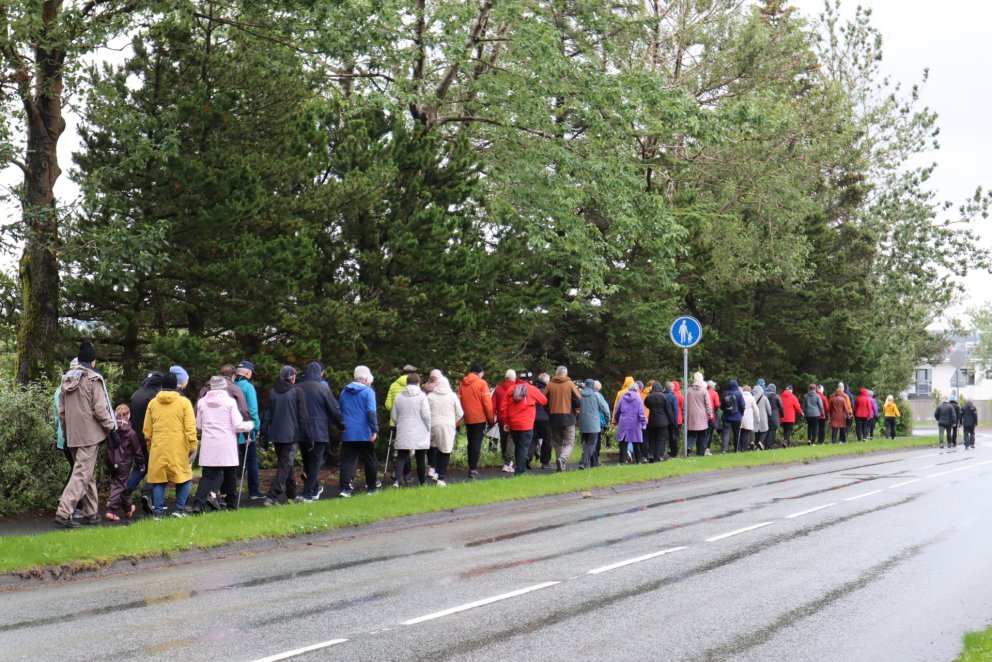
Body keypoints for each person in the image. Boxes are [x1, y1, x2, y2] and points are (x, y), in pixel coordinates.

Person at [55, 341, 118, 529]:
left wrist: (66, 434)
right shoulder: (93, 379)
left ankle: (91, 512)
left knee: (86, 473)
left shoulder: (66, 379)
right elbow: (100, 409)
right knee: (82, 474)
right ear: (93, 361)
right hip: (90, 435)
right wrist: (112, 429)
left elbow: (62, 412)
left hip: (73, 435)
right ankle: (64, 512)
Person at [193, 376, 251, 513]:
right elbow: (237, 425)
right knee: (230, 474)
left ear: (211, 387)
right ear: (224, 387)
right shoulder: (230, 402)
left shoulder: (202, 402)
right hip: (226, 443)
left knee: (207, 475)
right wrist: (250, 425)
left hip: (209, 443)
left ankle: (198, 504)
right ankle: (231, 503)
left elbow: (199, 425)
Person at [144, 371, 197, 518]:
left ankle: (158, 513)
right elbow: (190, 426)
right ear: (175, 386)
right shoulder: (184, 403)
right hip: (179, 446)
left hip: (158, 446)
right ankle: (179, 510)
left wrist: (150, 446)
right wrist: (193, 445)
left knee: (158, 480)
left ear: (162, 385)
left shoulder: (153, 403)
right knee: (184, 477)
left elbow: (147, 430)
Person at [260, 366, 310, 505]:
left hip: (276, 434)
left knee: (287, 464)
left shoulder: (272, 392)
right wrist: (308, 436)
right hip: (291, 435)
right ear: (292, 376)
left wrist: (263, 435)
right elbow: (303, 417)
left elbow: (266, 416)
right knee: (285, 464)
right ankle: (272, 495)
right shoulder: (297, 391)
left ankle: (292, 494)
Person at [296, 361, 344, 501]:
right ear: (320, 373)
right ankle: (308, 493)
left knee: (307, 461)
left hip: (301, 430)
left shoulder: (297, 387)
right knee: (315, 462)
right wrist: (342, 424)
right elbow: (333, 409)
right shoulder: (322, 388)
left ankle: (314, 488)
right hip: (319, 430)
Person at [338, 365, 380, 496]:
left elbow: (339, 410)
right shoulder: (368, 392)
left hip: (348, 431)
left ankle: (344, 489)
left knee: (347, 460)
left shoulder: (344, 392)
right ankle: (372, 488)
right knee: (369, 459)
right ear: (367, 378)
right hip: (364, 431)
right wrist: (374, 429)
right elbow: (371, 411)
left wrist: (342, 427)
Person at [498, 370, 548, 476]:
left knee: (518, 446)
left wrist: (505, 422)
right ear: (530, 380)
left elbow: (503, 407)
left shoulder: (511, 389)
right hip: (526, 424)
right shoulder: (532, 389)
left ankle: (518, 469)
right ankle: (520, 471)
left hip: (513, 424)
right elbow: (544, 401)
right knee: (523, 447)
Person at [128, 370, 165, 513]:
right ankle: (146, 493)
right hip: (149, 438)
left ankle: (125, 492)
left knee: (140, 467)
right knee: (153, 468)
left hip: (136, 437)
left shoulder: (137, 394)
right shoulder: (153, 398)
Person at [391, 373, 432, 487]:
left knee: (402, 455)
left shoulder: (399, 396)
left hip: (403, 428)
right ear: (418, 383)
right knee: (420, 457)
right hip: (420, 430)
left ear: (407, 383)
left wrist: (399, 424)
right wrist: (428, 427)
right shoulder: (422, 396)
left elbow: (394, 415)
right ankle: (422, 482)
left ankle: (397, 481)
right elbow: (426, 415)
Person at [53, 358, 81, 517]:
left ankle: (73, 503)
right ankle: (69, 503)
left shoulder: (58, 390)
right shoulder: (69, 391)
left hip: (62, 437)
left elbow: (56, 417)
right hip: (72, 436)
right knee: (78, 471)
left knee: (76, 469)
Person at [105, 404, 143, 521]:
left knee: (121, 484)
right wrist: (141, 463)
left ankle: (128, 508)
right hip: (124, 463)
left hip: (111, 461)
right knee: (120, 485)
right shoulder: (131, 433)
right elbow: (137, 451)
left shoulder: (111, 431)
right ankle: (111, 510)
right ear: (128, 416)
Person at [457, 364, 495, 479]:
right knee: (476, 443)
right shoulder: (482, 384)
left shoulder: (462, 384)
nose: (483, 375)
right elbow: (487, 404)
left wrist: (459, 420)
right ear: (479, 372)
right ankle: (473, 469)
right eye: (482, 373)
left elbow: (458, 403)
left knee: (470, 442)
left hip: (468, 418)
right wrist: (491, 419)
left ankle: (471, 466)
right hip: (480, 418)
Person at [233, 360, 264, 500]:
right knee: (251, 460)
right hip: (246, 432)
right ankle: (254, 491)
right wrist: (257, 428)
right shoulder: (248, 387)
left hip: (230, 432)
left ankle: (229, 493)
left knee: (231, 463)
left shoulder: (229, 386)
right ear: (248, 373)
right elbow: (252, 411)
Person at [427, 375, 463, 486]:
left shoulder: (430, 396)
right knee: (446, 450)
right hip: (448, 425)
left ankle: (436, 472)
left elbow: (426, 412)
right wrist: (453, 420)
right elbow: (460, 413)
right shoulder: (452, 396)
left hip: (434, 425)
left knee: (437, 448)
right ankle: (441, 478)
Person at [546, 366, 581, 472]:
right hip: (568, 418)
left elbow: (544, 401)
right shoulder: (570, 384)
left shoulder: (550, 385)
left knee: (557, 443)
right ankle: (562, 459)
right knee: (569, 443)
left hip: (553, 418)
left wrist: (549, 411)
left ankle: (560, 466)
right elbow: (578, 401)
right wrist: (576, 412)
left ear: (556, 373)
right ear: (565, 373)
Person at [578, 378, 611, 468]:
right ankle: (583, 462)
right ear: (593, 386)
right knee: (591, 444)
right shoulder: (596, 395)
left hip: (582, 423)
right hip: (594, 423)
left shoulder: (579, 394)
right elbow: (605, 408)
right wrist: (608, 419)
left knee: (588, 443)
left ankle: (595, 463)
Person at [492, 369, 518, 472]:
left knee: (503, 439)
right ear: (514, 378)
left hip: (502, 418)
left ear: (505, 378)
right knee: (512, 440)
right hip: (513, 417)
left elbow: (493, 405)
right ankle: (510, 461)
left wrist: (492, 417)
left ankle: (505, 459)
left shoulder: (498, 389)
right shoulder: (516, 388)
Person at [614, 382, 647, 463]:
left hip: (624, 422)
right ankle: (638, 461)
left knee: (623, 443)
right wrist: (644, 423)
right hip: (635, 423)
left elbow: (617, 410)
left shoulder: (623, 397)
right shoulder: (638, 398)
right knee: (636, 443)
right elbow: (641, 412)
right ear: (637, 389)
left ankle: (622, 461)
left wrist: (617, 418)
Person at [644, 379, 676, 460]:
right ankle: (658, 456)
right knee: (661, 439)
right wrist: (672, 421)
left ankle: (651, 454)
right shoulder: (663, 397)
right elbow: (668, 410)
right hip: (663, 421)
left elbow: (646, 405)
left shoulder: (649, 397)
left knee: (652, 438)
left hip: (652, 421)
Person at [686, 372, 714, 456]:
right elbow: (708, 405)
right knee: (702, 435)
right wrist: (710, 416)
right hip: (702, 417)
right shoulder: (704, 391)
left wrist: (685, 416)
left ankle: (688, 447)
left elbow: (685, 404)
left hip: (691, 416)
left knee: (691, 434)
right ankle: (700, 452)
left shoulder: (688, 390)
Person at [530, 373, 553, 469]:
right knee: (547, 440)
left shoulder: (532, 390)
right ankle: (545, 462)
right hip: (546, 419)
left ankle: (527, 459)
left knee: (532, 440)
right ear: (547, 382)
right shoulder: (549, 392)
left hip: (533, 418)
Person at [719, 380, 746, 453]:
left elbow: (721, 406)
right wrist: (741, 414)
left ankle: (724, 449)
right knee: (736, 434)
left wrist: (725, 410)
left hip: (726, 417)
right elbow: (743, 406)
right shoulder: (739, 394)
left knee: (726, 433)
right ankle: (736, 449)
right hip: (737, 417)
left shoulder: (725, 393)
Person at [752, 385, 772, 450]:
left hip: (754, 416)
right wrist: (770, 414)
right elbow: (768, 408)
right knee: (764, 430)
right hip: (763, 416)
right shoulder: (764, 397)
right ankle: (760, 442)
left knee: (756, 431)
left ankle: (756, 444)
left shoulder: (752, 397)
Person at [764, 384, 784, 449]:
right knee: (773, 431)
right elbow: (781, 406)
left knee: (766, 430)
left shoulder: (764, 396)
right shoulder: (776, 396)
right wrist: (782, 415)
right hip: (774, 416)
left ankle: (764, 444)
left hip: (765, 415)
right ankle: (770, 445)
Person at [739, 385, 758, 452]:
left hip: (740, 417)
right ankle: (744, 449)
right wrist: (758, 418)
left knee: (740, 433)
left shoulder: (740, 396)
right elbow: (755, 409)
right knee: (746, 434)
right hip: (748, 418)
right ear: (750, 390)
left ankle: (739, 448)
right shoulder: (751, 398)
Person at [705, 380, 720, 455]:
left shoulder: (704, 391)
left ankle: (701, 447)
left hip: (703, 414)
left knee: (703, 432)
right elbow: (717, 404)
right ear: (712, 386)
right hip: (711, 414)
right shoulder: (715, 393)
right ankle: (707, 448)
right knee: (709, 432)